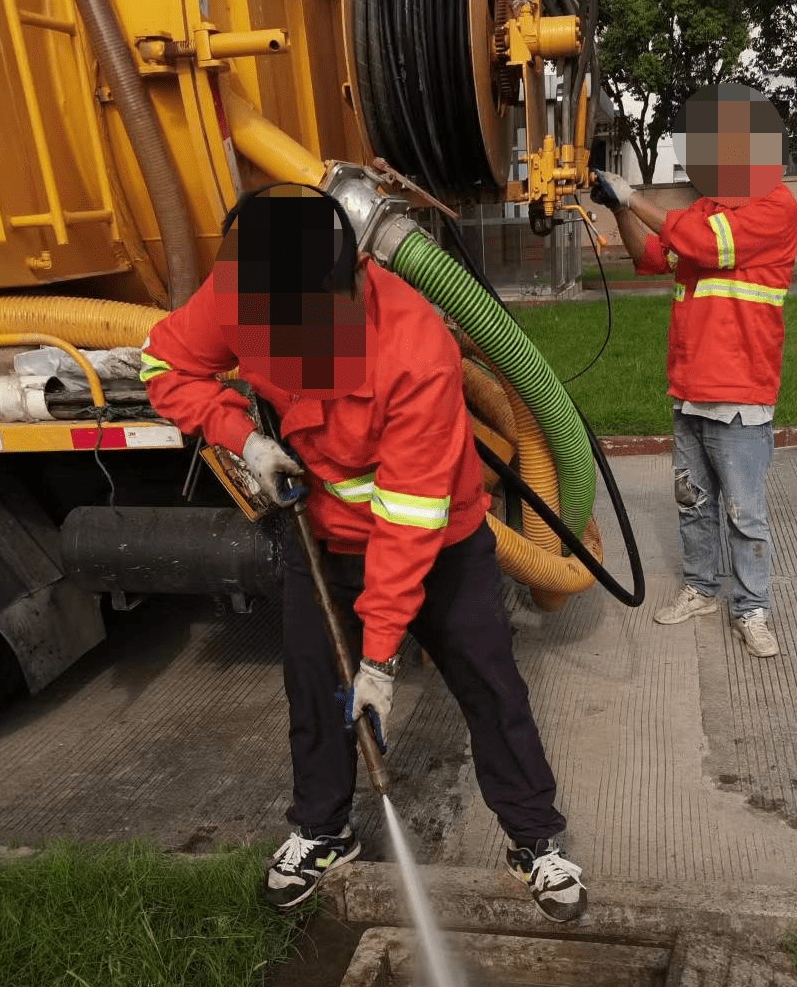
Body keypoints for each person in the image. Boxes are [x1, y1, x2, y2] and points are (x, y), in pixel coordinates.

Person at [139, 183, 585, 921]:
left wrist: (380, 659)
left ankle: (534, 839)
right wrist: (242, 436)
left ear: (351, 284)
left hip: (438, 545)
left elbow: (408, 522)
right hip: (320, 534)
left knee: (491, 688)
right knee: (314, 690)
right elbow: (165, 367)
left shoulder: (414, 349)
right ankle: (323, 830)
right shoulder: (239, 293)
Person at [592, 83, 797, 658]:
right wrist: (617, 205)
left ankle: (752, 609)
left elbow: (703, 249)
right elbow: (647, 257)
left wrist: (637, 200)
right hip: (689, 393)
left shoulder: (773, 206)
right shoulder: (702, 212)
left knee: (745, 515)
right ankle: (701, 590)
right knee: (694, 503)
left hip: (740, 395)